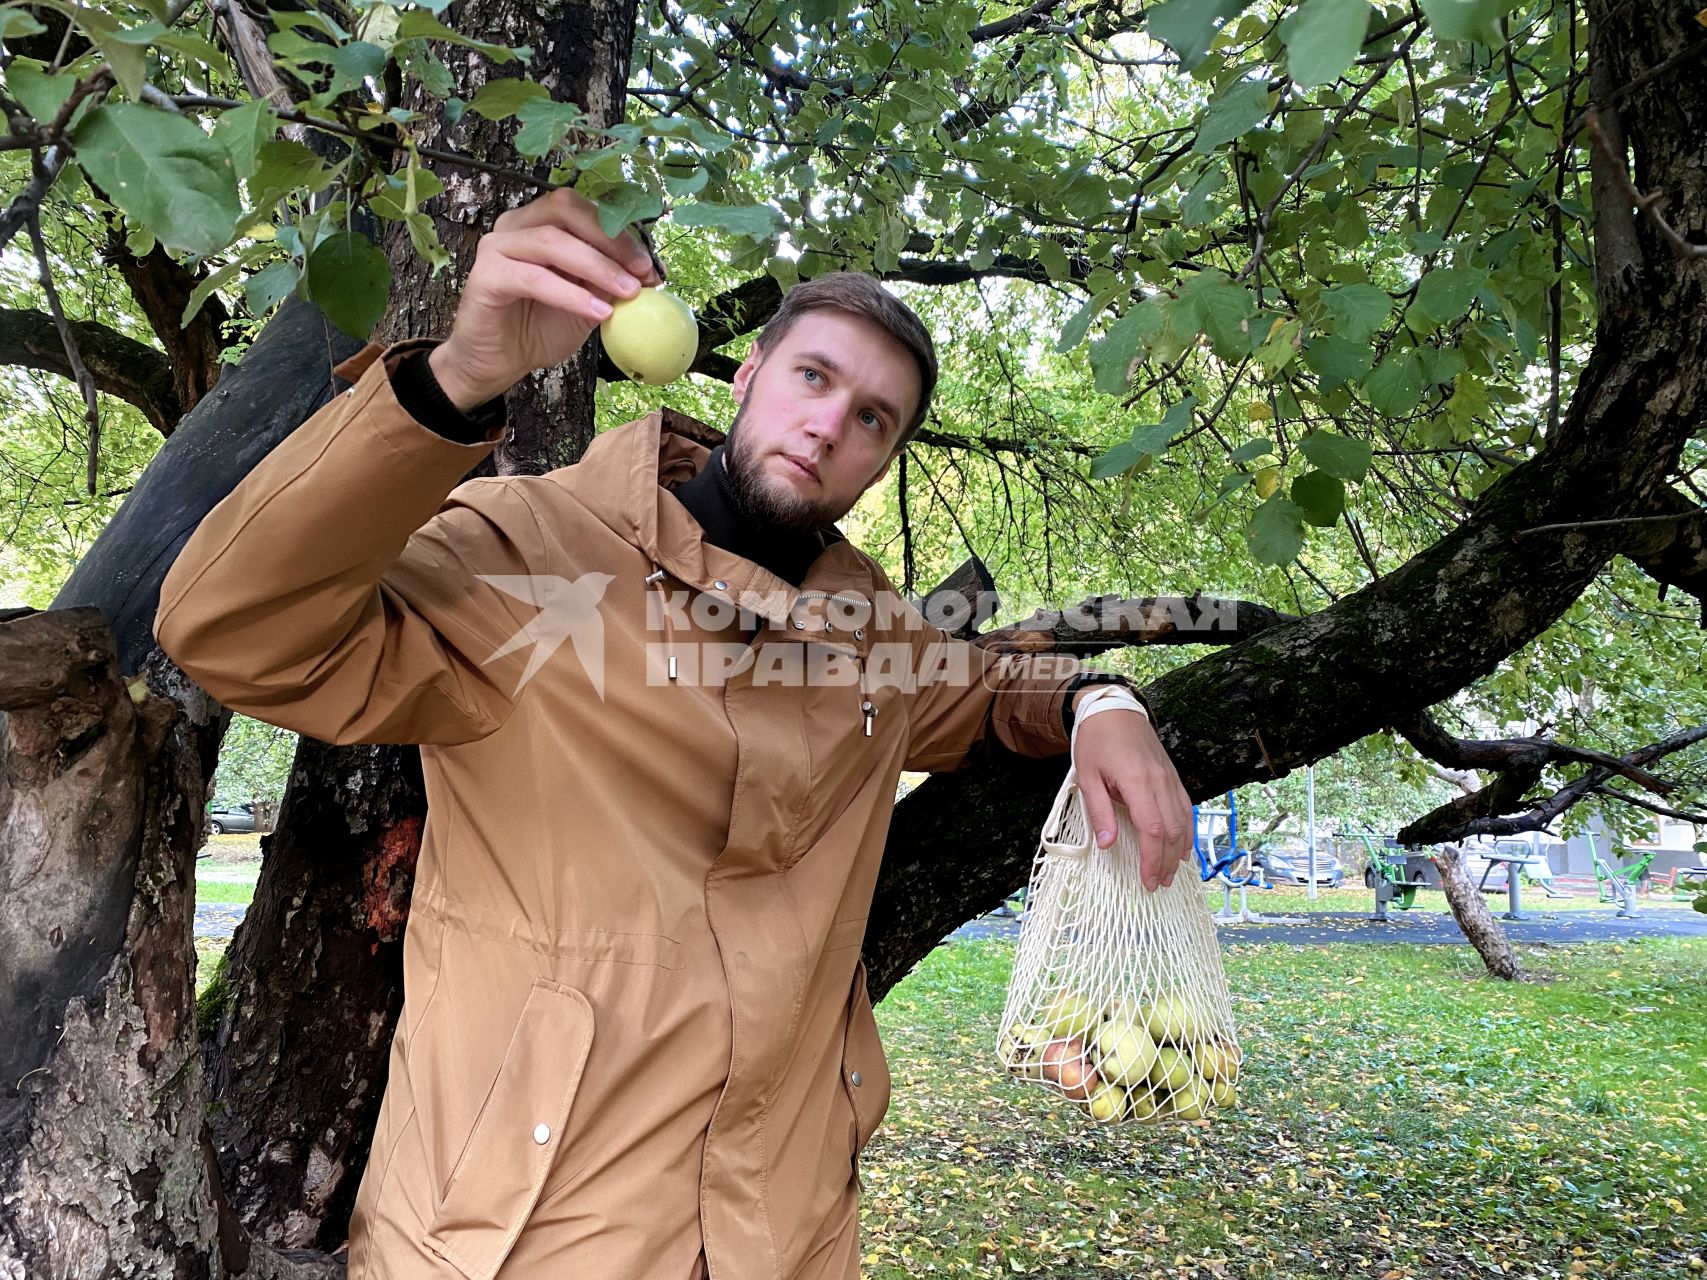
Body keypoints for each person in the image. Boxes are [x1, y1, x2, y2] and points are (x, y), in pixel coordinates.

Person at [154, 188, 1193, 1280]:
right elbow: (236, 628)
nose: (833, 424)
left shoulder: (870, 630)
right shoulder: (533, 558)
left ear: (884, 460)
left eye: (876, 418)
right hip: (514, 1245)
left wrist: (1101, 703)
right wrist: (459, 377)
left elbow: (982, 689)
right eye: (814, 377)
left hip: (780, 1239)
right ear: (746, 378)